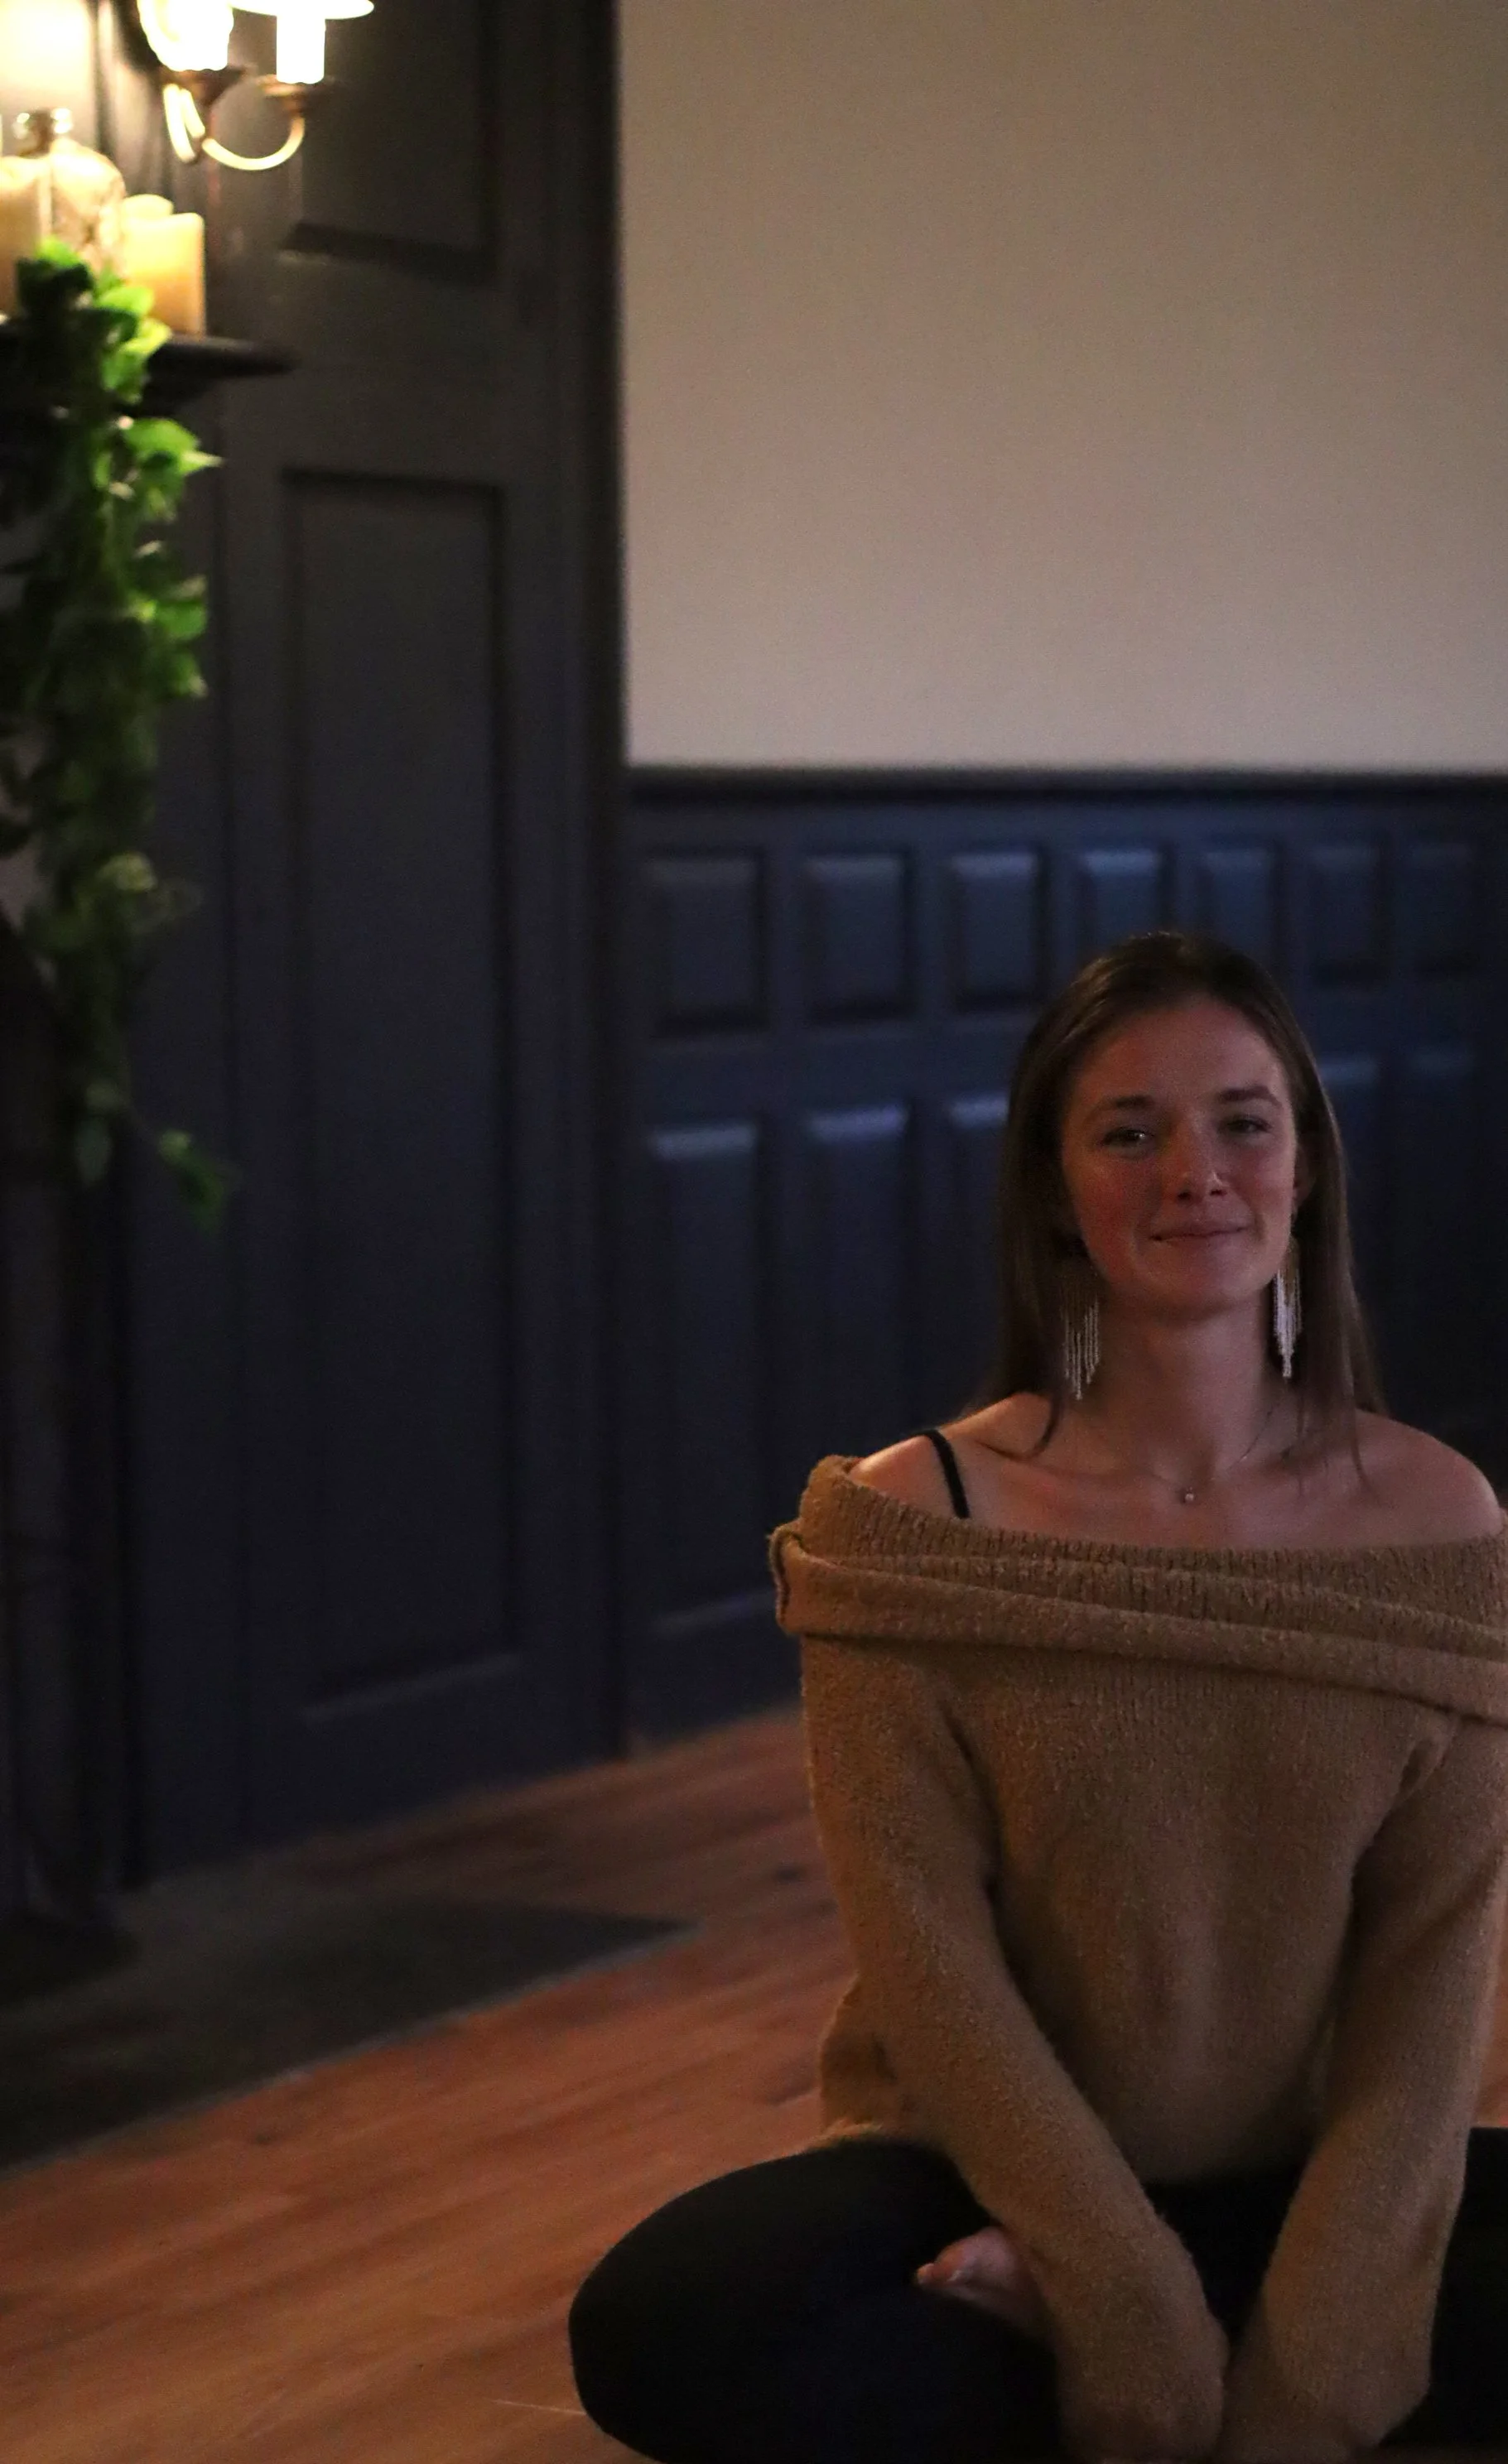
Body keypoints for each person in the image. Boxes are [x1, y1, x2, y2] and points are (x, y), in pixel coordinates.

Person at [568, 929, 1508, 2464]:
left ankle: (1118, 2339)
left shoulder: (1443, 1524)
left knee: (1373, 2288)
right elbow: (931, 1977)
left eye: (1242, 1122)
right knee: (663, 2322)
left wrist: (1304, 2390)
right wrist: (1123, 2301)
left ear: (1307, 1166)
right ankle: (1115, 2317)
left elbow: (1427, 2007)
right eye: (1127, 1132)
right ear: (1056, 1194)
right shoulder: (913, 1523)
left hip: (1306, 2173)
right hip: (987, 2163)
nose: (1193, 1171)